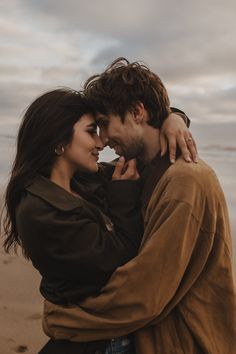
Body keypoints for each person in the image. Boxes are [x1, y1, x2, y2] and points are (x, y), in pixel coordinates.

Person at [43, 58, 236, 354]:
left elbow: (145, 293)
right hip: (149, 333)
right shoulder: (140, 168)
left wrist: (65, 317)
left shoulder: (187, 181)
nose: (103, 140)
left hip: (183, 340)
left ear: (137, 112)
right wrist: (175, 116)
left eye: (105, 125)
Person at [1, 87, 196, 354]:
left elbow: (144, 147)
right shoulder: (38, 212)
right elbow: (117, 261)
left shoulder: (84, 180)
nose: (101, 142)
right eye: (91, 131)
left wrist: (174, 119)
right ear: (58, 140)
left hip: (116, 335)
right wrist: (123, 197)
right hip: (94, 343)